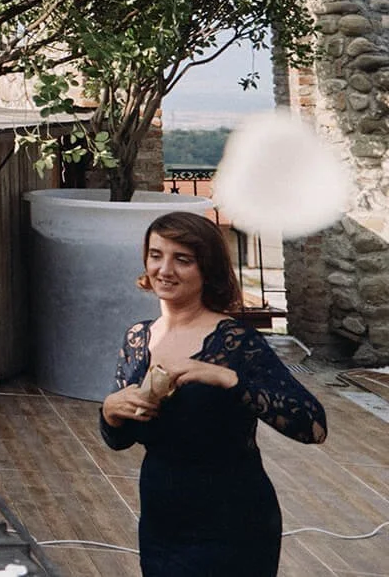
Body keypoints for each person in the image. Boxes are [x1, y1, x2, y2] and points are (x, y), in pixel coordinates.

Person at [100, 211, 326, 576]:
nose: (165, 269)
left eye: (182, 259)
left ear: (207, 268)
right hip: (161, 524)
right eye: (156, 255)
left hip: (233, 525)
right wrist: (110, 412)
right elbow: (119, 440)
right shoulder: (137, 338)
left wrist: (228, 379)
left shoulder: (235, 341)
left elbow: (313, 426)